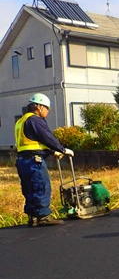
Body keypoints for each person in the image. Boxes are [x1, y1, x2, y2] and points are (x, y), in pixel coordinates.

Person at [14, 93, 74, 226]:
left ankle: (32, 216)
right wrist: (62, 149)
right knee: (41, 186)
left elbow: (35, 142)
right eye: (47, 108)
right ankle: (42, 217)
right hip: (34, 161)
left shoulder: (21, 121)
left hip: (22, 160)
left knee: (29, 188)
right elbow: (46, 137)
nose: (47, 112)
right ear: (39, 107)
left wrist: (53, 152)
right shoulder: (35, 120)